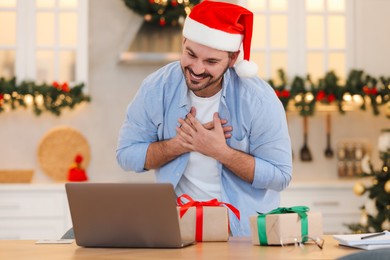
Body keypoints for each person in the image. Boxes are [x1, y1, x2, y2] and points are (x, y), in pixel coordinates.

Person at [116, 0, 292, 237]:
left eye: (211, 62)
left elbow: (281, 176)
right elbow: (126, 155)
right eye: (191, 54)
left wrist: (220, 151)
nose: (197, 68)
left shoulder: (259, 100)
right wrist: (176, 145)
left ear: (232, 59)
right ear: (184, 42)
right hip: (179, 228)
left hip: (243, 234)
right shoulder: (156, 88)